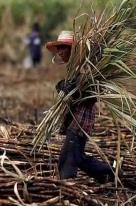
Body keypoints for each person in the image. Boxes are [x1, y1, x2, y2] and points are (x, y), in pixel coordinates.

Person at [45, 30, 114, 184]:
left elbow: (93, 95)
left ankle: (67, 185)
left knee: (68, 158)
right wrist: (63, 86)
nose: (60, 52)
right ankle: (111, 174)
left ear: (74, 50)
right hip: (75, 118)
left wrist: (75, 91)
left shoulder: (85, 67)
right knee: (78, 157)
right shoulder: (74, 68)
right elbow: (69, 89)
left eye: (64, 47)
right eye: (59, 48)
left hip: (81, 119)